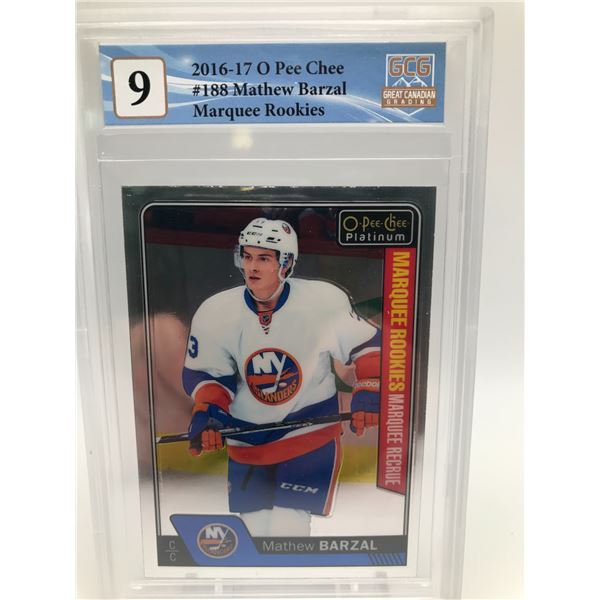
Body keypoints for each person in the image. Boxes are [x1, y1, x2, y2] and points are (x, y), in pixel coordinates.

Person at [182, 217, 380, 536]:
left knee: (289, 528)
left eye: (263, 258)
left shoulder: (323, 302)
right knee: (254, 533)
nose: (252, 266)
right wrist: (209, 412)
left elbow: (368, 347)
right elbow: (209, 375)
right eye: (247, 256)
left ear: (285, 264)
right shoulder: (215, 312)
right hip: (246, 441)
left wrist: (369, 390)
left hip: (309, 434)